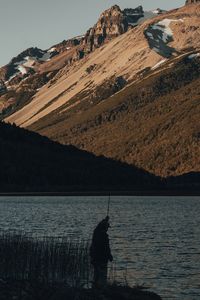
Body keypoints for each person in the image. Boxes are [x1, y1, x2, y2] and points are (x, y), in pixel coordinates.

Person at [90, 216, 113, 288]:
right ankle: (101, 289)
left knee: (96, 275)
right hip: (102, 259)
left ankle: (94, 288)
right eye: (107, 227)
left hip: (95, 258)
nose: (107, 229)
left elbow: (97, 227)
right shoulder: (104, 236)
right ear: (105, 228)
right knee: (102, 276)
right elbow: (106, 248)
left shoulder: (96, 233)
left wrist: (105, 220)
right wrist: (110, 256)